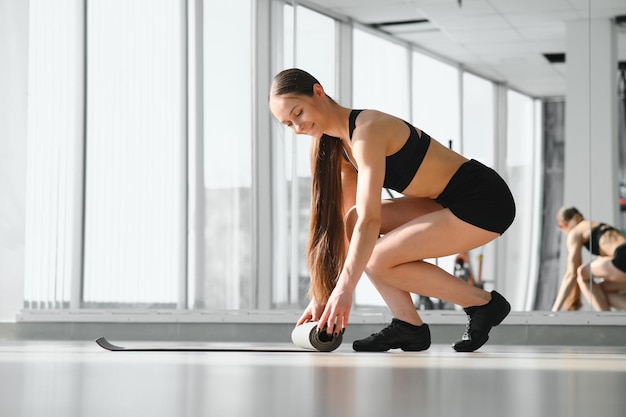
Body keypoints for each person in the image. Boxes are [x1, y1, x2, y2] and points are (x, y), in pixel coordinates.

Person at [269, 68, 516, 352]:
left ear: (318, 92)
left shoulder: (367, 131)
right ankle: (407, 325)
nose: (298, 127)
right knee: (352, 222)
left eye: (298, 113)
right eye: (288, 124)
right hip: (446, 200)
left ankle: (484, 303)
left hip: (483, 199)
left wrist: (345, 290)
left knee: (376, 259)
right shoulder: (342, 147)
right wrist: (324, 295)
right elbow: (353, 225)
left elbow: (371, 221)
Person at [553, 206, 626, 311]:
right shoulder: (596, 225)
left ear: (563, 225)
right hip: (621, 259)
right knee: (599, 291)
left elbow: (571, 274)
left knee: (582, 273)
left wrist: (554, 310)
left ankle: (604, 321)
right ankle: (606, 320)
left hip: (622, 258)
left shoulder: (575, 232)